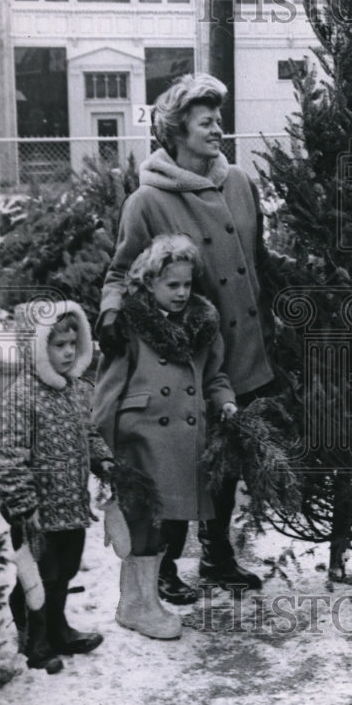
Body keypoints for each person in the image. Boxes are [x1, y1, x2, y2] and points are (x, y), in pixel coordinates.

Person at [97, 73, 277, 602]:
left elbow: (257, 258)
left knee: (227, 458)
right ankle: (167, 565)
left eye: (218, 119)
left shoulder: (239, 182)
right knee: (176, 459)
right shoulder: (147, 199)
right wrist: (111, 314)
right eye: (206, 122)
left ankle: (218, 555)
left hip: (243, 348)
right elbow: (119, 272)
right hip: (184, 359)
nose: (218, 129)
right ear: (177, 131)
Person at [93, 234, 238, 639]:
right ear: (149, 281)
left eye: (187, 284)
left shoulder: (201, 324)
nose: (181, 293)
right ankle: (138, 606)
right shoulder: (130, 323)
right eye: (171, 284)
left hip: (182, 440)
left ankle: (141, 601)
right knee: (143, 522)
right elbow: (108, 387)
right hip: (139, 436)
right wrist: (101, 446)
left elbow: (215, 376)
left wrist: (225, 401)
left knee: (164, 528)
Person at [0, 300, 115, 674]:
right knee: (39, 575)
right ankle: (35, 639)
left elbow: (90, 433)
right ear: (35, 347)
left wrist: (103, 460)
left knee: (64, 570)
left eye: (71, 343)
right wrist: (23, 506)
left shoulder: (77, 390)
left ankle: (59, 628)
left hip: (70, 506)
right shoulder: (21, 396)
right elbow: (10, 455)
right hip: (36, 511)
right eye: (57, 344)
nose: (67, 352)